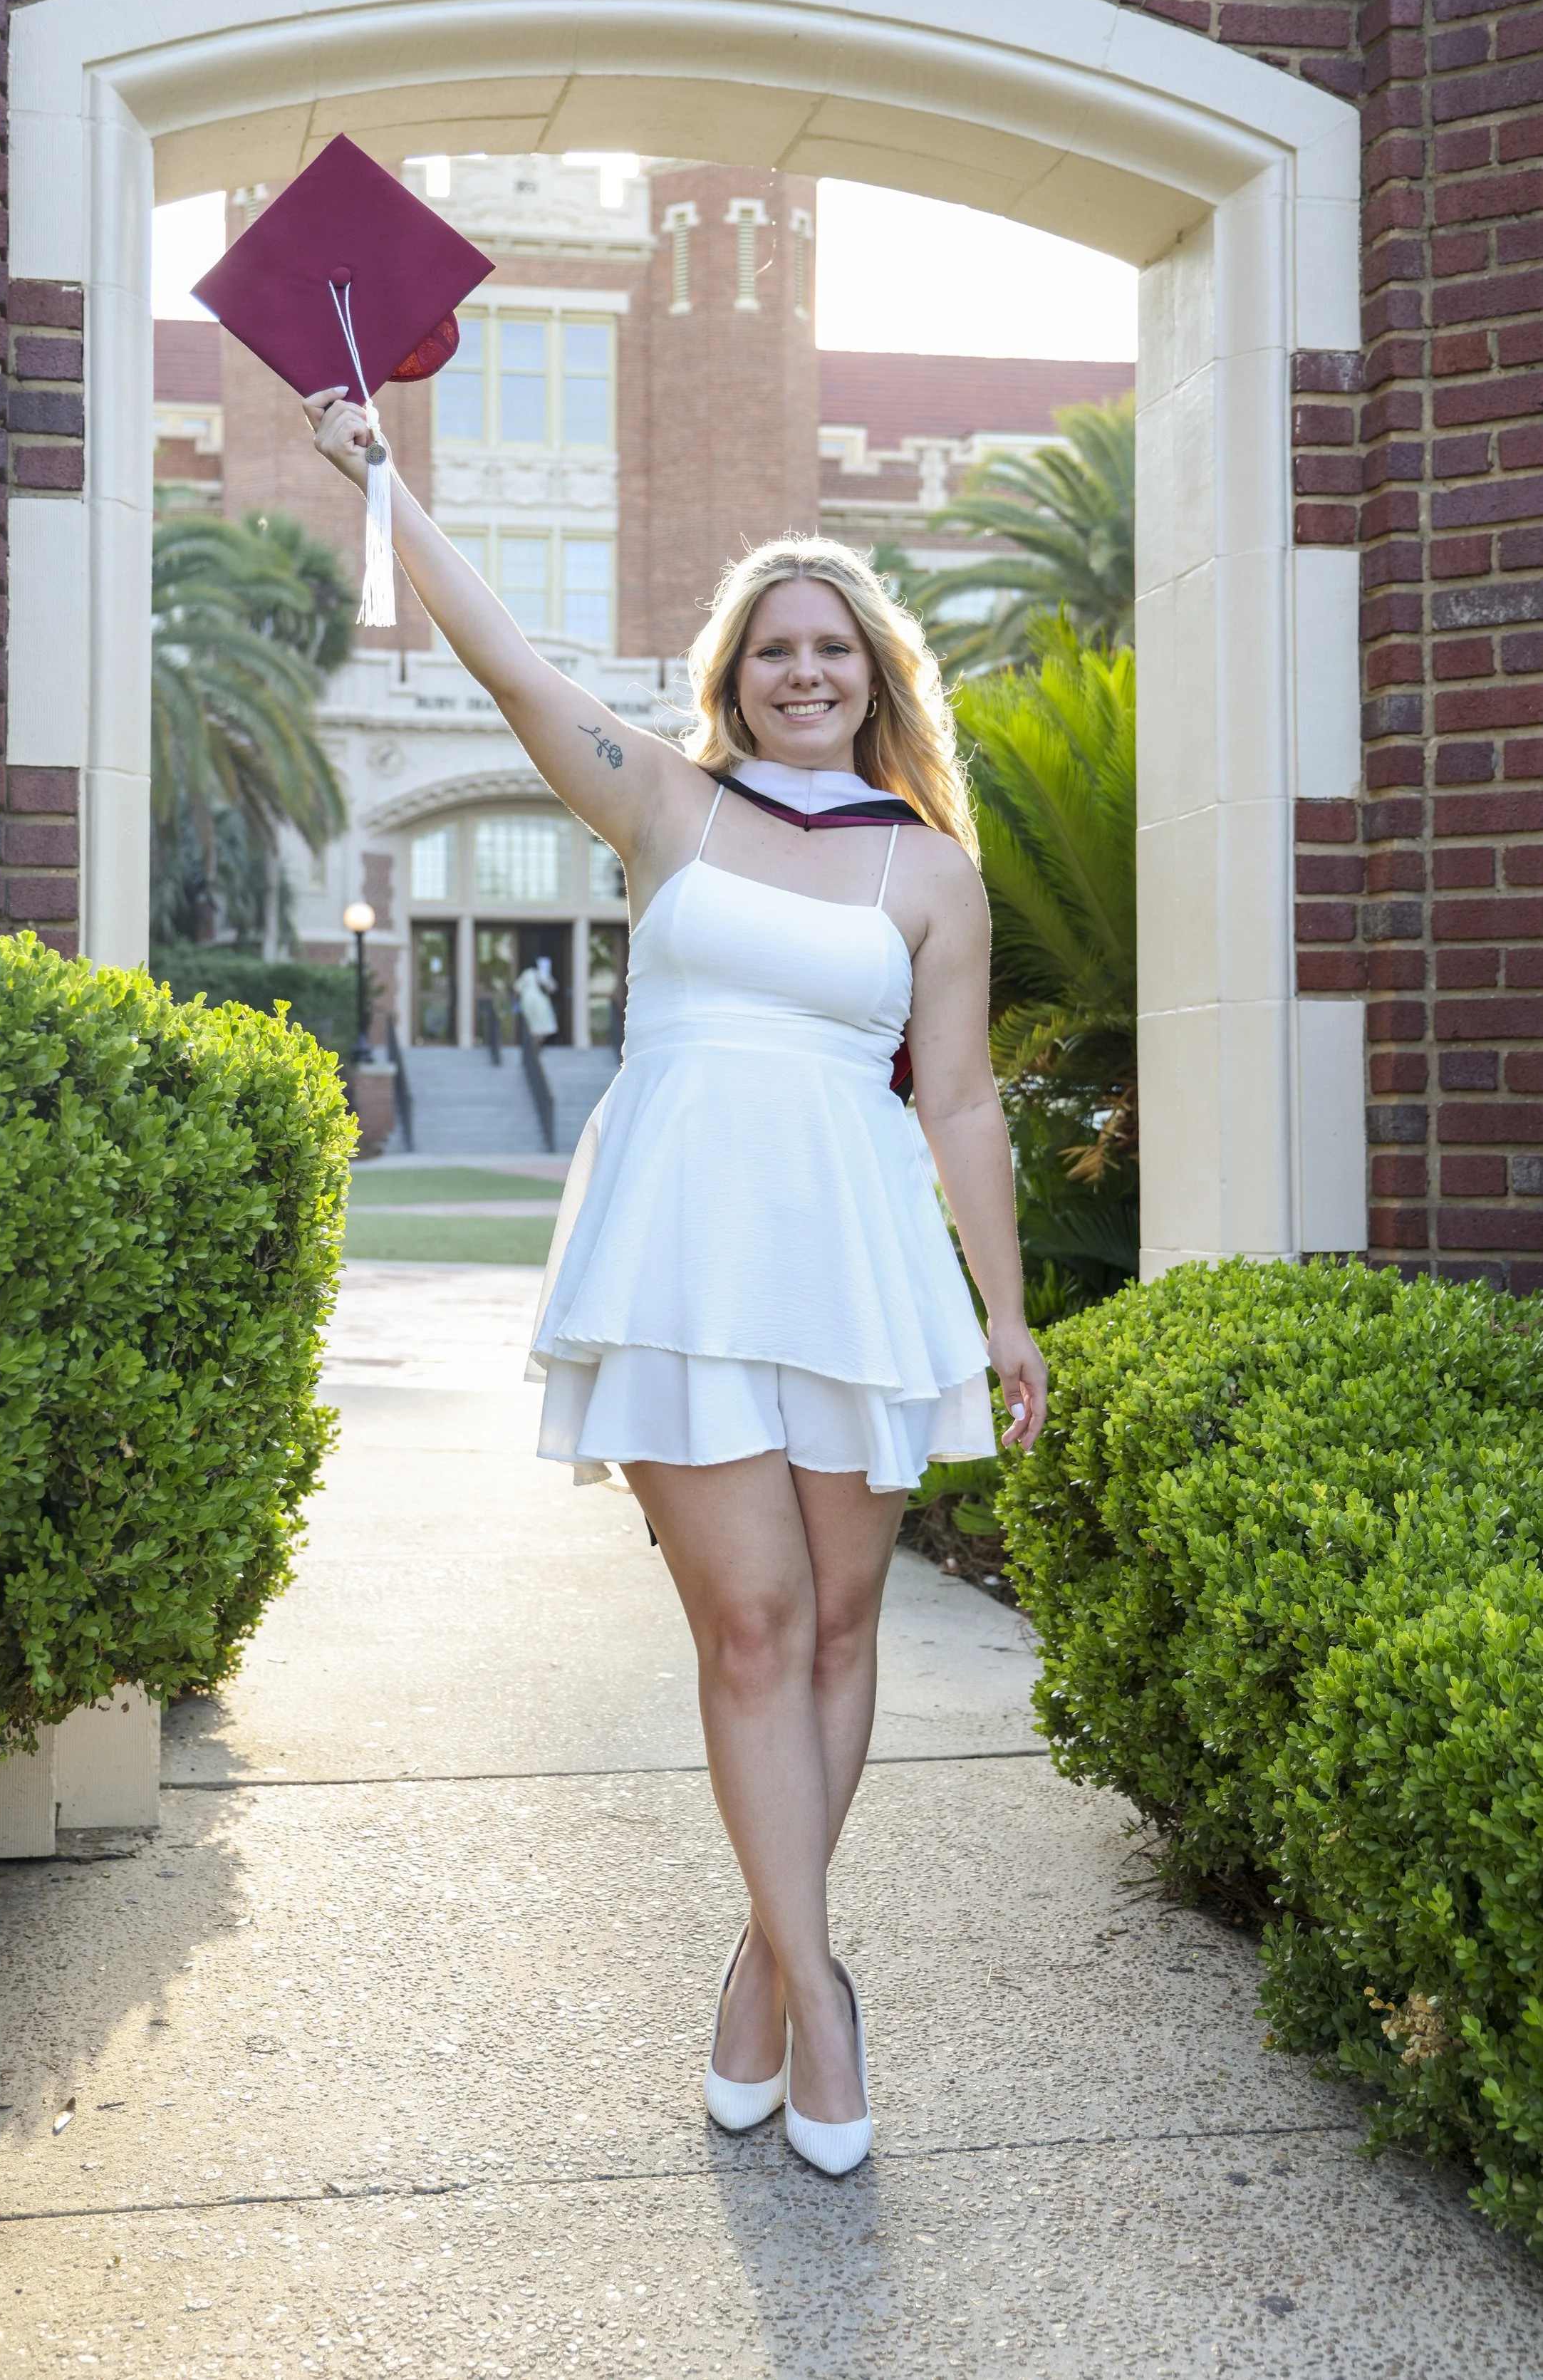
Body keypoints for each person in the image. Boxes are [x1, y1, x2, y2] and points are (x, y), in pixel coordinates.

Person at [306, 384, 1048, 2180]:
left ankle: (755, 1967)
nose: (806, 671)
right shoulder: (664, 807)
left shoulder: (929, 872)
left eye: (835, 648)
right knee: (750, 1629)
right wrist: (384, 482)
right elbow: (503, 664)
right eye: (776, 648)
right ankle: (830, 1994)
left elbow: (953, 1099)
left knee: (844, 1629)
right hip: (686, 1253)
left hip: (861, 1260)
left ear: (875, 674)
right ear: (735, 674)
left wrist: (1005, 1309)